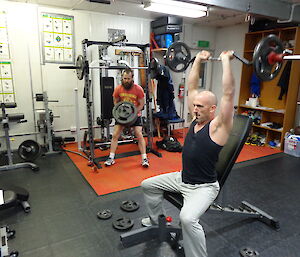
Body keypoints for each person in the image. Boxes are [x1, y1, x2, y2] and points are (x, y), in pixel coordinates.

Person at [140, 50, 235, 257]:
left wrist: (226, 61)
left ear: (213, 109)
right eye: (194, 106)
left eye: (200, 106)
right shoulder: (195, 119)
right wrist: (198, 60)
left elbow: (228, 94)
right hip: (182, 177)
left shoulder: (219, 127)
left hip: (203, 187)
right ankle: (158, 221)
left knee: (188, 219)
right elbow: (191, 86)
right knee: (147, 185)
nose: (195, 109)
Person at [105, 68, 149, 168]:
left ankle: (144, 158)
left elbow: (141, 104)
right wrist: (120, 113)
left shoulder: (138, 89)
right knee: (115, 134)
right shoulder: (118, 88)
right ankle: (111, 158)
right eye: (124, 78)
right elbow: (115, 102)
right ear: (122, 78)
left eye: (128, 79)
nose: (126, 81)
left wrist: (133, 114)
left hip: (135, 115)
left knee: (139, 133)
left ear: (132, 78)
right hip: (122, 116)